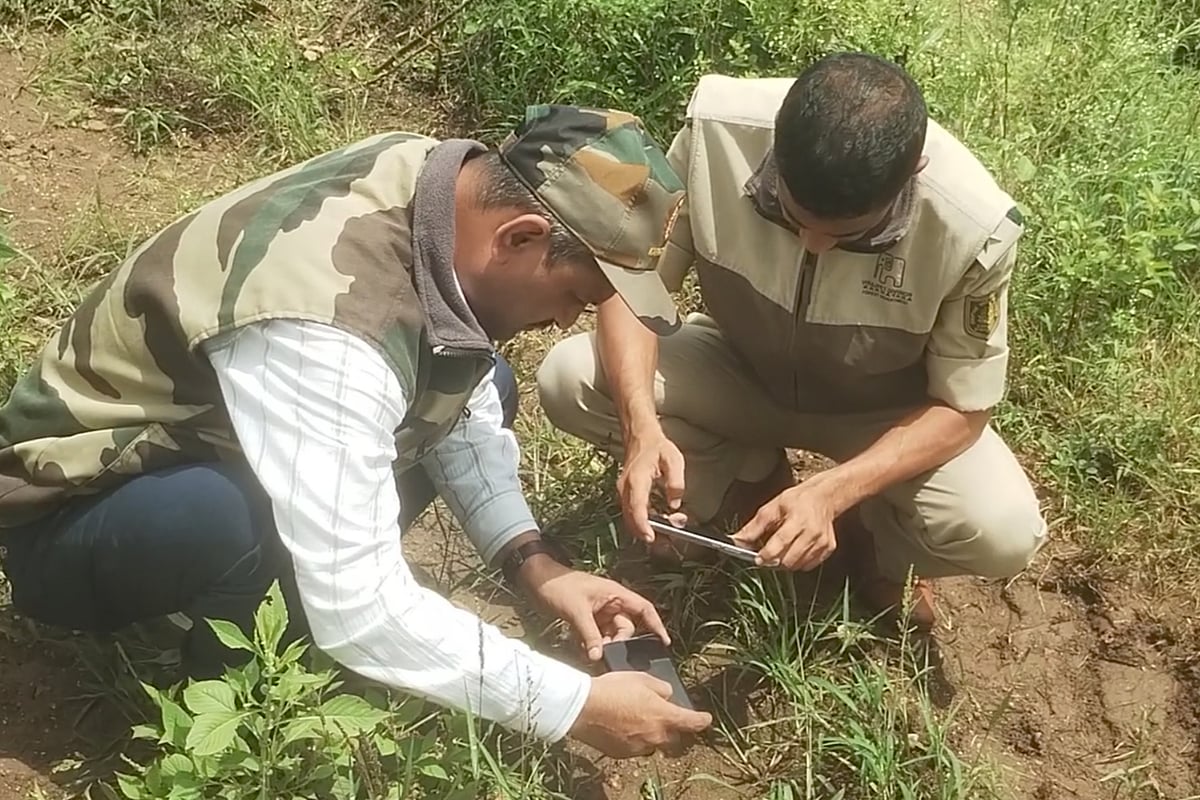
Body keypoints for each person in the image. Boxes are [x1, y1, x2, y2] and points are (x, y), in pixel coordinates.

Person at [0, 105, 712, 757]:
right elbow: (359, 604)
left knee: (482, 377)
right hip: (67, 516)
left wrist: (535, 563)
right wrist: (571, 705)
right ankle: (231, 726)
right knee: (236, 521)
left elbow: (456, 390)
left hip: (211, 437)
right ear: (520, 235)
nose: (565, 322)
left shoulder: (439, 183)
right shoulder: (330, 335)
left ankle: (270, 599)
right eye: (573, 297)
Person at [537, 53, 1047, 628]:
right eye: (790, 215)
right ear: (774, 149)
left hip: (883, 411)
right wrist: (641, 427)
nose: (813, 244)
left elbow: (963, 406)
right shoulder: (716, 137)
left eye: (847, 235)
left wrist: (836, 491)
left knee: (1001, 528)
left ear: (913, 173)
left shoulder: (973, 226)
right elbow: (637, 284)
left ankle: (876, 546)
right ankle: (750, 483)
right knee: (570, 377)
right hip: (741, 369)